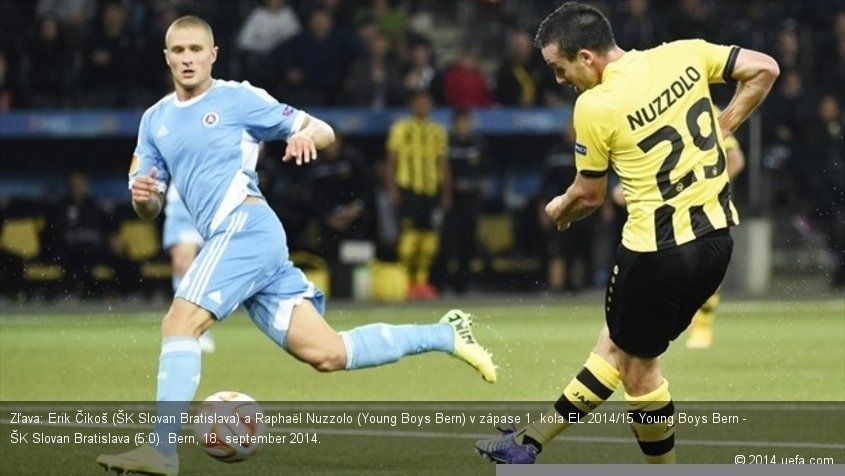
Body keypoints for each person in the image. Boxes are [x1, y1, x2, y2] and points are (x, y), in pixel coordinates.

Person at [96, 15, 496, 476]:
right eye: (178, 51)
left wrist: (306, 134)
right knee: (328, 353)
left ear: (213, 55)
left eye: (195, 49)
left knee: (179, 323)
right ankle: (445, 334)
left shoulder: (239, 98)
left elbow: (321, 129)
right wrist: (146, 199)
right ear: (166, 57)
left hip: (244, 228)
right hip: (241, 242)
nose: (187, 59)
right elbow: (149, 203)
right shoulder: (155, 121)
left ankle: (161, 451)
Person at [474, 2, 778, 464]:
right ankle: (531, 440)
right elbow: (765, 69)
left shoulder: (595, 106)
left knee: (637, 370)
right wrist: (727, 123)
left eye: (559, 68)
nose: (559, 80)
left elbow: (589, 195)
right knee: (617, 346)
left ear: (587, 58)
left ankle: (647, 467)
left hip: (656, 254)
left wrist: (558, 209)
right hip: (716, 243)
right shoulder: (684, 54)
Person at [385, 89, 451, 300]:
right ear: (412, 105)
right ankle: (405, 282)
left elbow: (443, 164)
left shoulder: (438, 131)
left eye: (427, 102)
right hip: (408, 191)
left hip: (431, 192)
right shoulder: (400, 129)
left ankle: (421, 283)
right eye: (419, 102)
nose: (423, 106)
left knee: (429, 240)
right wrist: (392, 189)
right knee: (409, 240)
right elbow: (391, 161)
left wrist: (446, 193)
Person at [161, 185, 215, 353]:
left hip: (217, 195)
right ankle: (187, 327)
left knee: (214, 266)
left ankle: (198, 323)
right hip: (183, 199)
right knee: (182, 263)